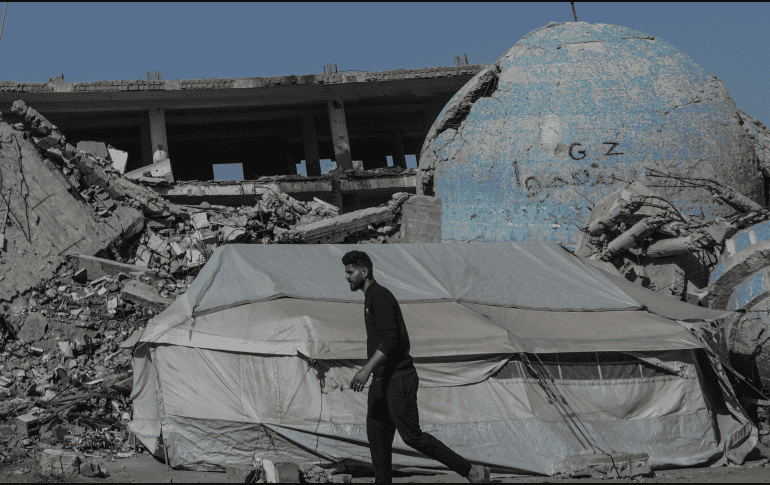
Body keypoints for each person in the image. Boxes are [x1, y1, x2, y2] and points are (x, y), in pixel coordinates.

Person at [342, 250, 491, 483]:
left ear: (364, 271)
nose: (347, 277)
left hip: (399, 379)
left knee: (412, 436)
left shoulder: (380, 296)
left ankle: (471, 471)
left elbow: (390, 341)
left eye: (350, 272)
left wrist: (365, 369)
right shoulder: (370, 297)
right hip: (381, 381)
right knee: (377, 437)